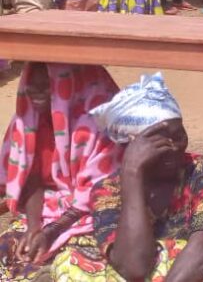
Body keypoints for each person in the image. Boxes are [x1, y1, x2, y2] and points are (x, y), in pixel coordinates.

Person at [51, 72, 203, 281]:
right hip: (133, 270)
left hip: (188, 273)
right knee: (69, 263)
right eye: (158, 141)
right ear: (131, 146)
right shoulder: (107, 190)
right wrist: (132, 174)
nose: (174, 147)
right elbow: (134, 266)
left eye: (179, 135)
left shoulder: (202, 170)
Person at [0, 64, 123, 281]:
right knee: (9, 248)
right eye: (32, 86)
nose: (36, 93)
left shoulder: (97, 126)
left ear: (71, 85)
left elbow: (99, 192)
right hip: (47, 207)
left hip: (94, 211)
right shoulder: (29, 119)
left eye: (46, 87)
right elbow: (31, 177)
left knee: (75, 264)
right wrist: (34, 227)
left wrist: (52, 231)